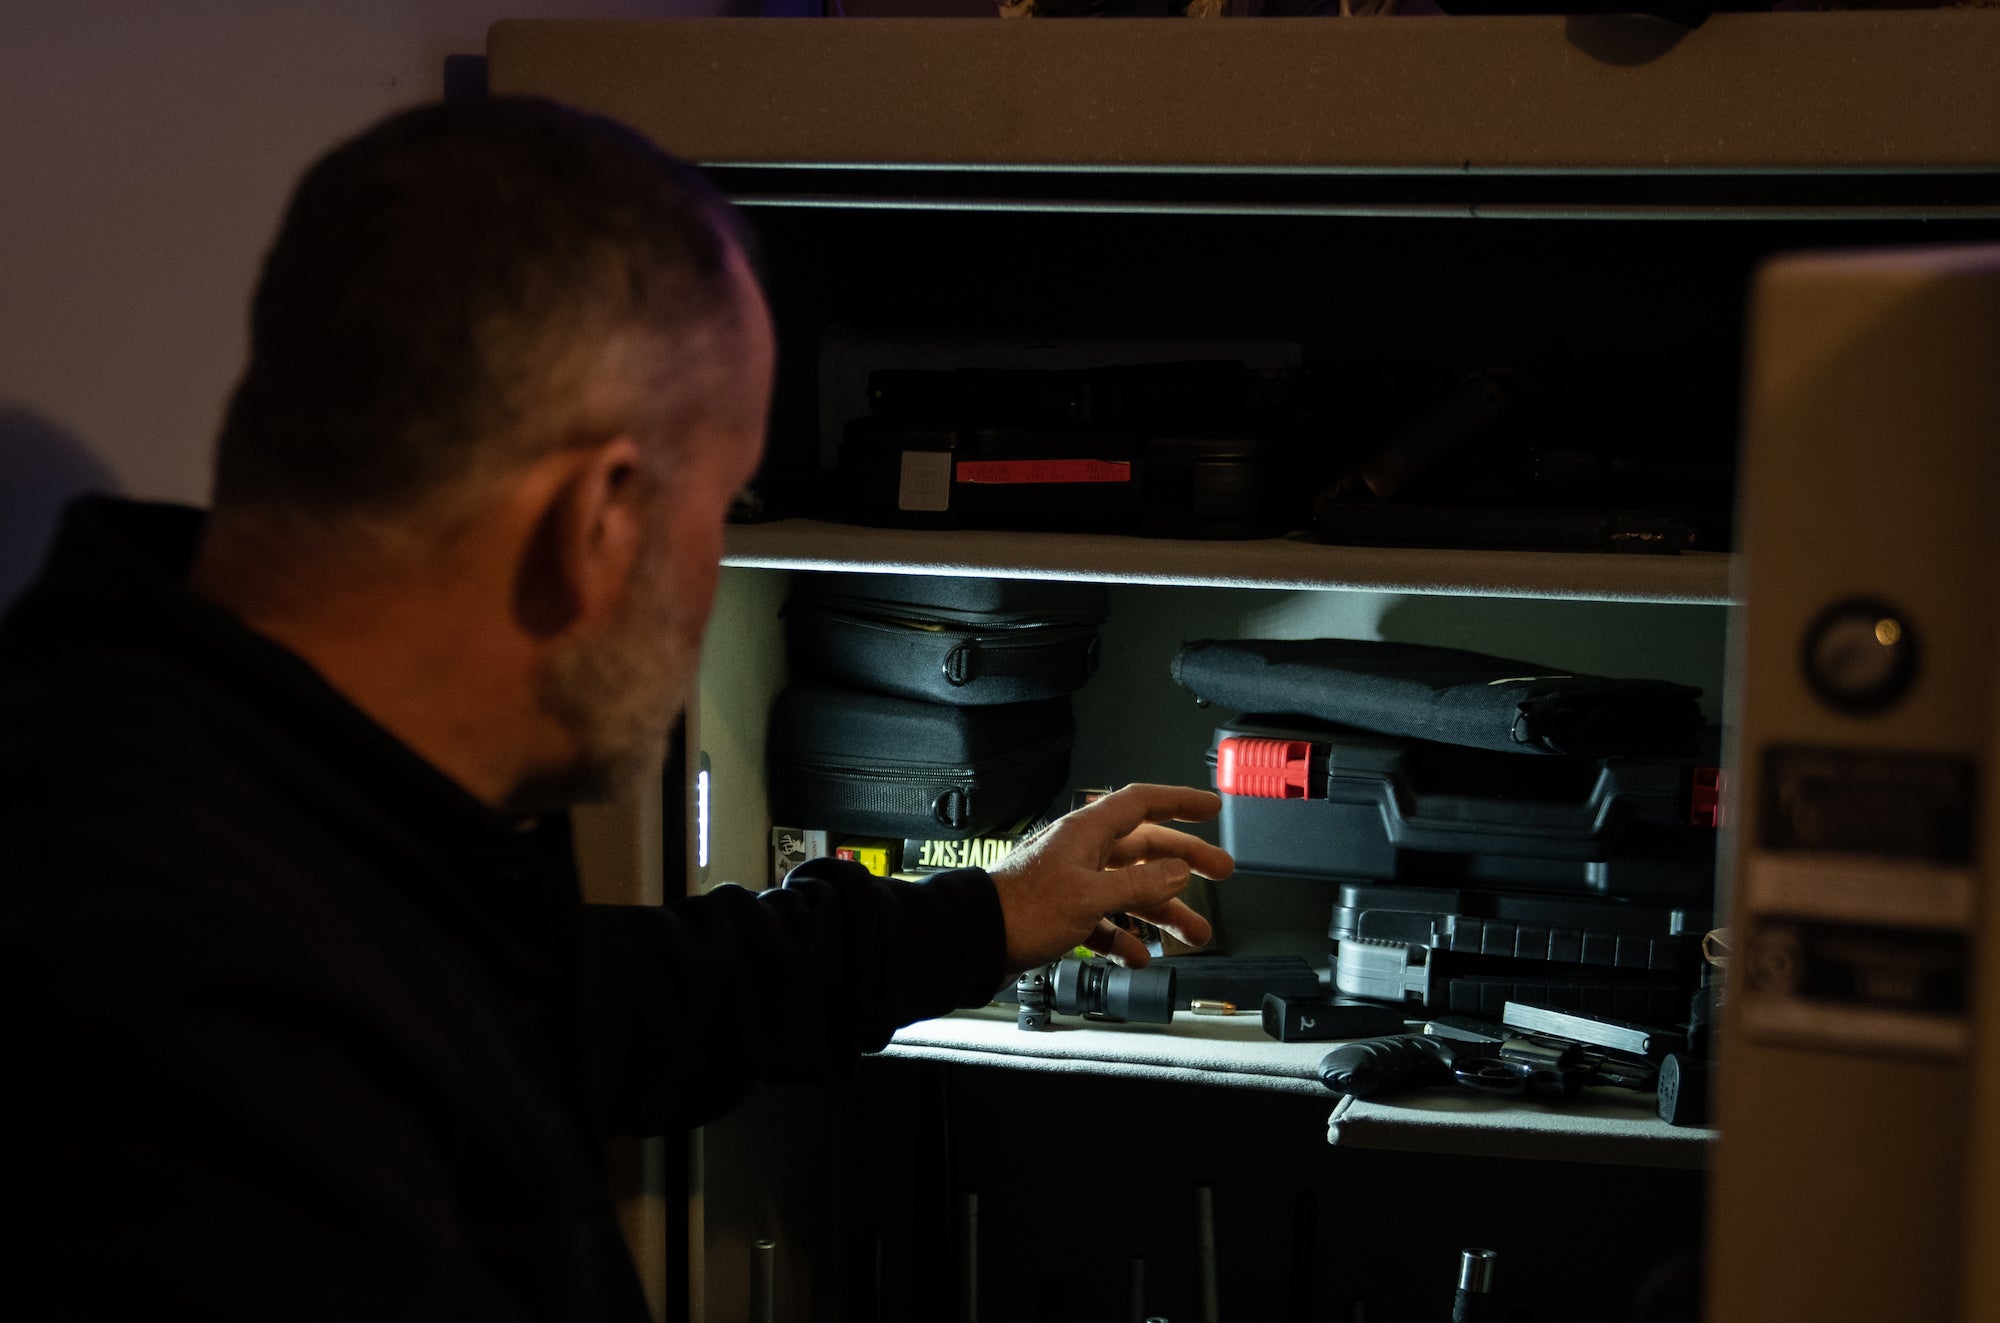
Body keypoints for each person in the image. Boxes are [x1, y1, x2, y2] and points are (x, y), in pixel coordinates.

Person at [0, 97, 1231, 1320]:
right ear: (599, 524)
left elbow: (617, 995)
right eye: (717, 512)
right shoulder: (191, 1018)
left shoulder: (246, 798)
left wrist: (994, 910)